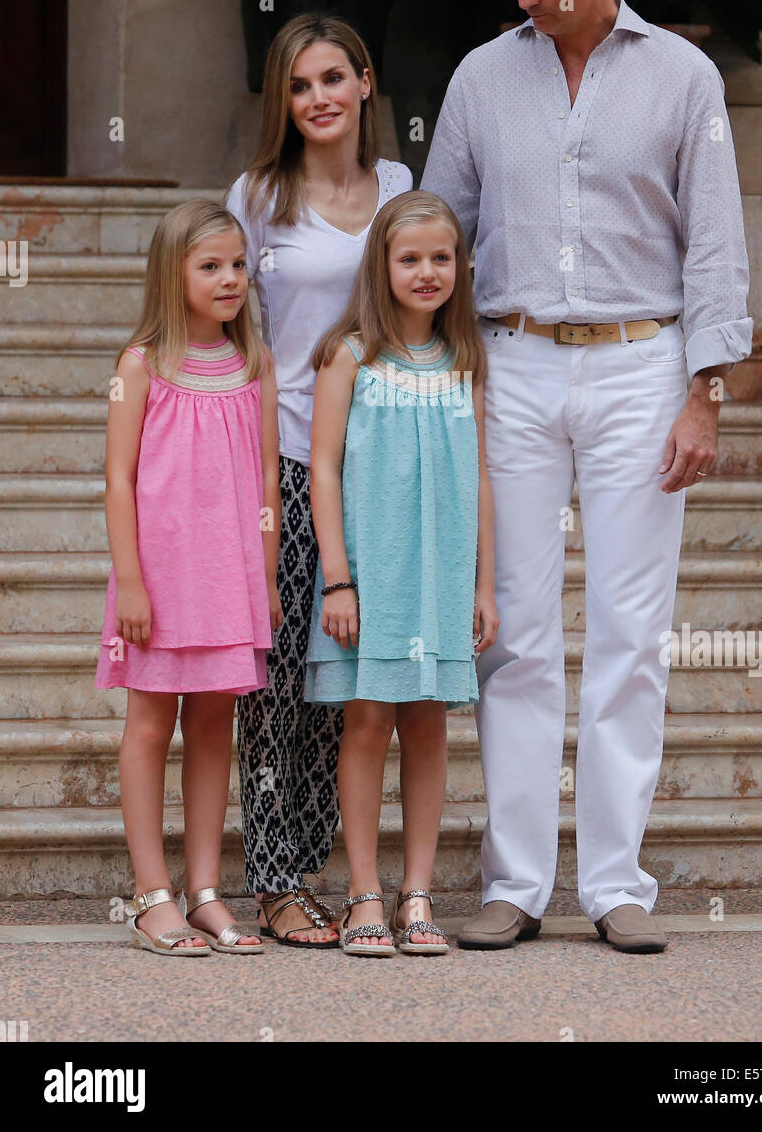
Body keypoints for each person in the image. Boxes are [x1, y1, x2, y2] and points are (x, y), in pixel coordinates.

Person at [422, 0, 752, 954]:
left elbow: (712, 241)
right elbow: (437, 231)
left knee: (628, 635)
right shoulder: (480, 76)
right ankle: (513, 882)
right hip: (510, 361)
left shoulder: (683, 77)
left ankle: (614, 882)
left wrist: (703, 393)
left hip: (638, 365)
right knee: (509, 631)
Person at [226, 14, 412, 947]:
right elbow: (238, 332)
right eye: (299, 87)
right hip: (286, 454)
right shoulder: (258, 196)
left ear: (367, 81)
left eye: (333, 77)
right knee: (272, 679)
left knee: (345, 683)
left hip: (379, 463)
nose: (318, 99)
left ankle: (316, 865)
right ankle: (273, 881)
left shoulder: (404, 192)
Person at [304, 191, 498, 956]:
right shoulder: (348, 354)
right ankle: (363, 895)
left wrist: (482, 585)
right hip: (373, 573)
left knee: (427, 722)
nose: (426, 272)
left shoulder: (466, 360)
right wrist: (339, 578)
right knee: (366, 721)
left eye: (441, 258)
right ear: (381, 265)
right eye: (409, 257)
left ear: (460, 266)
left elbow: (480, 474)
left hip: (442, 575)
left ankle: (418, 893)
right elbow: (322, 468)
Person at [96, 199, 281, 955]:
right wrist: (131, 583)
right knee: (150, 726)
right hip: (161, 581)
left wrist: (264, 579)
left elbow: (268, 478)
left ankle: (205, 888)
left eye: (238, 264)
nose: (230, 278)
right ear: (173, 276)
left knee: (215, 725)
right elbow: (118, 477)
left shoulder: (255, 364)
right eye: (210, 266)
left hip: (229, 579)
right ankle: (151, 894)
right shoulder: (140, 366)